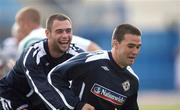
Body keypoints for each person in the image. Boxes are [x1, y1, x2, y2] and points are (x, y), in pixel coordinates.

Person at [0, 13, 94, 110]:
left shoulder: (77, 54)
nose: (65, 35)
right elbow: (44, 90)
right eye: (59, 31)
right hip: (14, 96)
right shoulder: (33, 55)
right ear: (47, 34)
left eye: (68, 31)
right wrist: (76, 106)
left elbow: (95, 75)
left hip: (39, 102)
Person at [47, 24, 142, 110]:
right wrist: (77, 105)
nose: (135, 52)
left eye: (138, 47)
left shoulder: (132, 80)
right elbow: (54, 76)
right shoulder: (92, 61)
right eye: (130, 46)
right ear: (115, 44)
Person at [16, 7, 101, 55]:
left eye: (18, 23)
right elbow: (92, 46)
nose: (17, 28)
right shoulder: (42, 34)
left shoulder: (29, 40)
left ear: (25, 23)